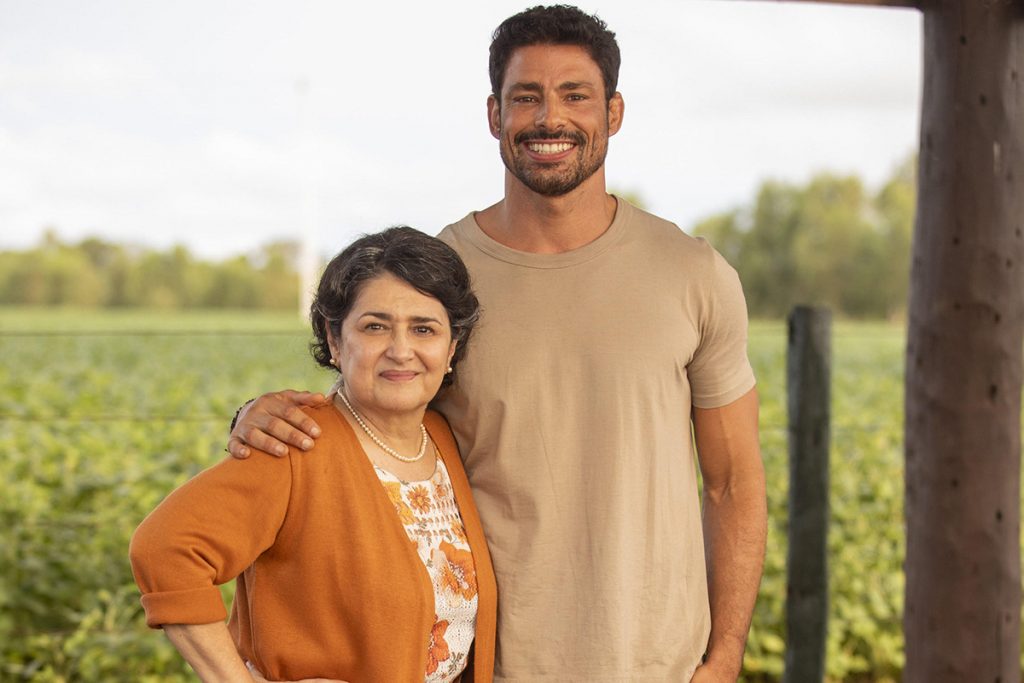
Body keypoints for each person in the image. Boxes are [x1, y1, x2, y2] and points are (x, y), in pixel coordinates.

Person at [228, 6, 766, 682]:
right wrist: (256, 414)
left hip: (662, 662)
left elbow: (733, 483)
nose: (551, 118)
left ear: (615, 112)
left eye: (576, 95)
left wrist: (725, 656)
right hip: (484, 662)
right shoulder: (436, 280)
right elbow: (365, 420)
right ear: (494, 115)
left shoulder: (693, 273)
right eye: (526, 97)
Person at [130, 227, 497, 682]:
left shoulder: (443, 437)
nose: (401, 350)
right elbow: (165, 549)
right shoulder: (294, 444)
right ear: (336, 340)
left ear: (451, 349)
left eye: (424, 329)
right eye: (375, 326)